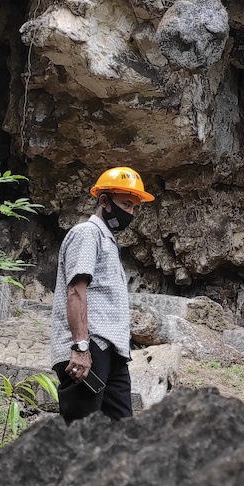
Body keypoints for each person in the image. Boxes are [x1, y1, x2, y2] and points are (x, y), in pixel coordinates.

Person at [50, 166, 155, 423]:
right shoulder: (88, 233)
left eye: (134, 207)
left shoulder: (107, 239)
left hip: (113, 352)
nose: (129, 212)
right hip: (91, 347)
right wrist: (81, 347)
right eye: (125, 204)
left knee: (120, 430)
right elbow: (75, 290)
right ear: (104, 201)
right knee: (83, 433)